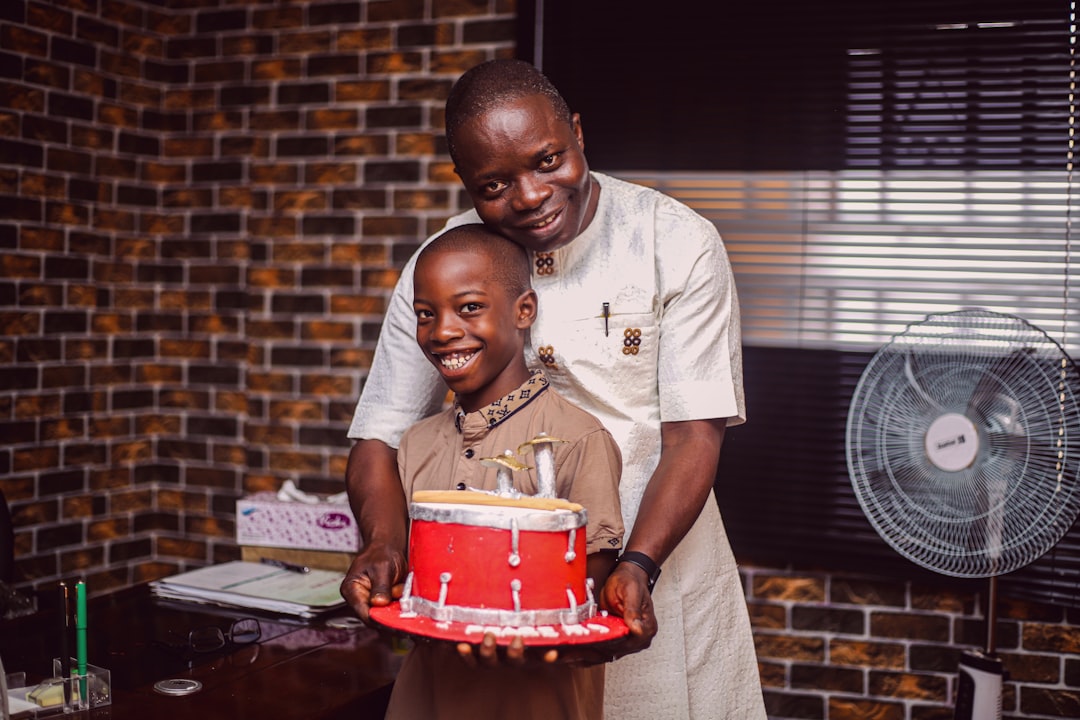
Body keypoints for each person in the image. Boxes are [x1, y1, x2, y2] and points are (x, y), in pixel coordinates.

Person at [342, 58, 767, 719]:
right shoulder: (445, 262)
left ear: (576, 133)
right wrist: (381, 543)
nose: (531, 194)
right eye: (494, 184)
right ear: (464, 183)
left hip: (650, 569)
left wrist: (639, 565)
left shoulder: (676, 240)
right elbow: (380, 433)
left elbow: (693, 437)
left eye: (548, 160)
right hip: (495, 594)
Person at [377, 223, 625, 719]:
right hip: (423, 699)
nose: (443, 330)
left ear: (523, 310)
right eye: (426, 315)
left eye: (469, 307)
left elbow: (587, 585)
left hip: (535, 702)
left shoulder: (579, 438)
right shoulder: (415, 444)